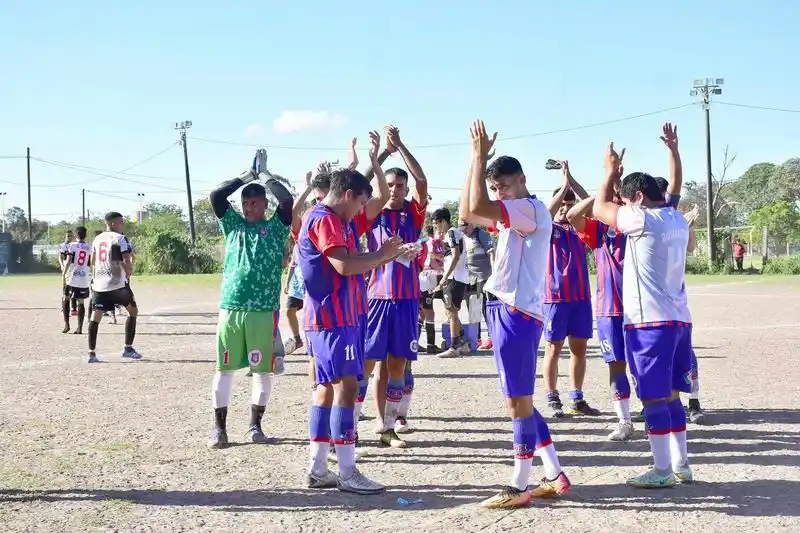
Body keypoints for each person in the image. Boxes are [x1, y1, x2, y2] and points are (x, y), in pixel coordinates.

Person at [460, 120, 570, 509]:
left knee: (518, 402)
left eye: (503, 185)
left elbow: (474, 208)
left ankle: (519, 485)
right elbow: (468, 211)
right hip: (507, 309)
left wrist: (478, 156)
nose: (498, 193)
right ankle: (554, 473)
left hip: (517, 312)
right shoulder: (517, 208)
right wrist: (477, 163)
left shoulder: (527, 208)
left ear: (522, 180)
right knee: (520, 398)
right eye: (495, 187)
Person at [592, 123, 693, 488]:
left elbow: (602, 208)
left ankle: (662, 470)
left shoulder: (641, 219)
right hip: (680, 320)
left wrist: (608, 172)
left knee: (652, 398)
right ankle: (682, 465)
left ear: (635, 198)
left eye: (626, 196)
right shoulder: (675, 217)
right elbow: (676, 187)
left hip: (648, 323)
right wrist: (674, 152)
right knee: (673, 395)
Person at [298, 166, 407, 494]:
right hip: (334, 319)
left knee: (325, 390)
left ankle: (319, 469)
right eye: (360, 203)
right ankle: (347, 471)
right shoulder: (325, 219)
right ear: (347, 195)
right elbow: (344, 266)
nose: (362, 210)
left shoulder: (334, 220)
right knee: (347, 386)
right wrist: (382, 255)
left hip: (334, 318)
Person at [207, 149, 292, 449]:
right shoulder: (233, 225)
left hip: (263, 310)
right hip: (231, 307)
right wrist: (247, 176)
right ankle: (219, 429)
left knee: (262, 371)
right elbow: (216, 196)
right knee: (225, 369)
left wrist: (265, 175)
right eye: (244, 203)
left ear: (264, 204)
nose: (247, 207)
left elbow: (287, 201)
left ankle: (255, 425)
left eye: (253, 202)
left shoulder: (276, 228)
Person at [361, 126, 428, 446]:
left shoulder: (414, 216)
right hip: (377, 297)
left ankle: (390, 424)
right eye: (389, 185)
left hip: (406, 298)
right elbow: (358, 186)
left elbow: (423, 181)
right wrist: (379, 155)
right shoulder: (371, 216)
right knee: (369, 363)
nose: (395, 190)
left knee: (398, 362)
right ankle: (368, 421)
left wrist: (400, 145)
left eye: (400, 185)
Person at [567, 172, 635, 441]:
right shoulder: (598, 230)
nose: (616, 196)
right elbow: (573, 216)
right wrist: (599, 192)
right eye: (613, 193)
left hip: (640, 308)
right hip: (609, 309)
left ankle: (654, 416)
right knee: (616, 365)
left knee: (643, 366)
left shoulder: (640, 224)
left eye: (621, 193)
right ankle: (624, 420)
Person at [542, 162, 600, 418]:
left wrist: (571, 179)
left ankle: (577, 398)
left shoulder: (580, 228)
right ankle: (553, 397)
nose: (566, 207)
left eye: (569, 203)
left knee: (580, 349)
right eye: (563, 203)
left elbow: (589, 201)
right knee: (553, 349)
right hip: (554, 298)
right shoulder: (545, 228)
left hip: (580, 298)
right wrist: (563, 187)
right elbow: (545, 212)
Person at [653, 176, 705, 424]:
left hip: (675, 301)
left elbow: (691, 248)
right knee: (657, 355)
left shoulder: (676, 222)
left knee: (685, 353)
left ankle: (693, 400)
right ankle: (660, 402)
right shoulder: (649, 221)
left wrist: (689, 226)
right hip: (652, 304)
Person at [87, 213, 141, 363]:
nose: (123, 224)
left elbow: (92, 260)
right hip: (117, 283)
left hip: (99, 283)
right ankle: (128, 348)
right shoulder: (119, 238)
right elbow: (126, 262)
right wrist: (128, 270)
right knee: (133, 311)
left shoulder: (97, 239)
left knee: (95, 316)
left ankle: (91, 353)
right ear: (112, 224)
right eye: (121, 222)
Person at [433, 207, 471, 359]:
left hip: (455, 277)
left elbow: (455, 256)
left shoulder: (452, 232)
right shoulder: (454, 233)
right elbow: (452, 256)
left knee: (451, 311)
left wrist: (445, 277)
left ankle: (454, 346)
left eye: (436, 223)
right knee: (450, 311)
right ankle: (463, 344)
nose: (435, 227)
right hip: (457, 276)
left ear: (443, 221)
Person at [461, 222, 494, 349]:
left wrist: (494, 271)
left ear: (472, 224)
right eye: (460, 226)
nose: (462, 229)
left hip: (483, 275)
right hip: (470, 277)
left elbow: (492, 253)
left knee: (485, 307)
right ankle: (476, 338)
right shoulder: (463, 237)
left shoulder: (482, 234)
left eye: (465, 226)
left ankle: (492, 337)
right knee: (473, 309)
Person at [418, 225, 445, 355]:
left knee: (421, 313)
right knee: (429, 313)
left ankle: (415, 343)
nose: (441, 234)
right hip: (427, 278)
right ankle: (430, 345)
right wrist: (443, 272)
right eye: (439, 231)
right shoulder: (432, 243)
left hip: (420, 278)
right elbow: (431, 261)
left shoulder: (423, 242)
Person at [61, 226, 92, 335]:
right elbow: (91, 262)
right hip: (83, 278)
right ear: (86, 235)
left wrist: (64, 273)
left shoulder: (72, 245)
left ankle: (67, 325)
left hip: (72, 277)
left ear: (76, 235)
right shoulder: (89, 247)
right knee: (81, 302)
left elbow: (69, 260)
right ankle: (79, 328)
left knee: (66, 298)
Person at [58, 230, 78, 317]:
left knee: (74, 288)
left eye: (71, 236)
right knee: (65, 289)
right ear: (65, 236)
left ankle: (74, 308)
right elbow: (61, 257)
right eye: (68, 236)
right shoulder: (63, 246)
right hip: (66, 269)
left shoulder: (75, 245)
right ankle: (64, 308)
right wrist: (62, 266)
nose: (69, 237)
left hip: (74, 270)